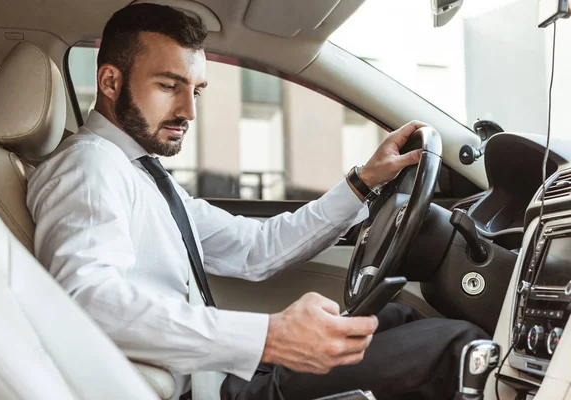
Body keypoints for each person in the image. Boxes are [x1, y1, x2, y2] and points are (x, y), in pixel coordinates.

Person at [27, 4, 488, 400]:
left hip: (220, 373)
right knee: (456, 346)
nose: (188, 110)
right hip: (212, 390)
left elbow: (256, 247)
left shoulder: (137, 170)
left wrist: (363, 183)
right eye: (170, 86)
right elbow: (87, 301)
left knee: (398, 317)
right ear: (110, 81)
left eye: (197, 90)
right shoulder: (89, 168)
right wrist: (270, 338)